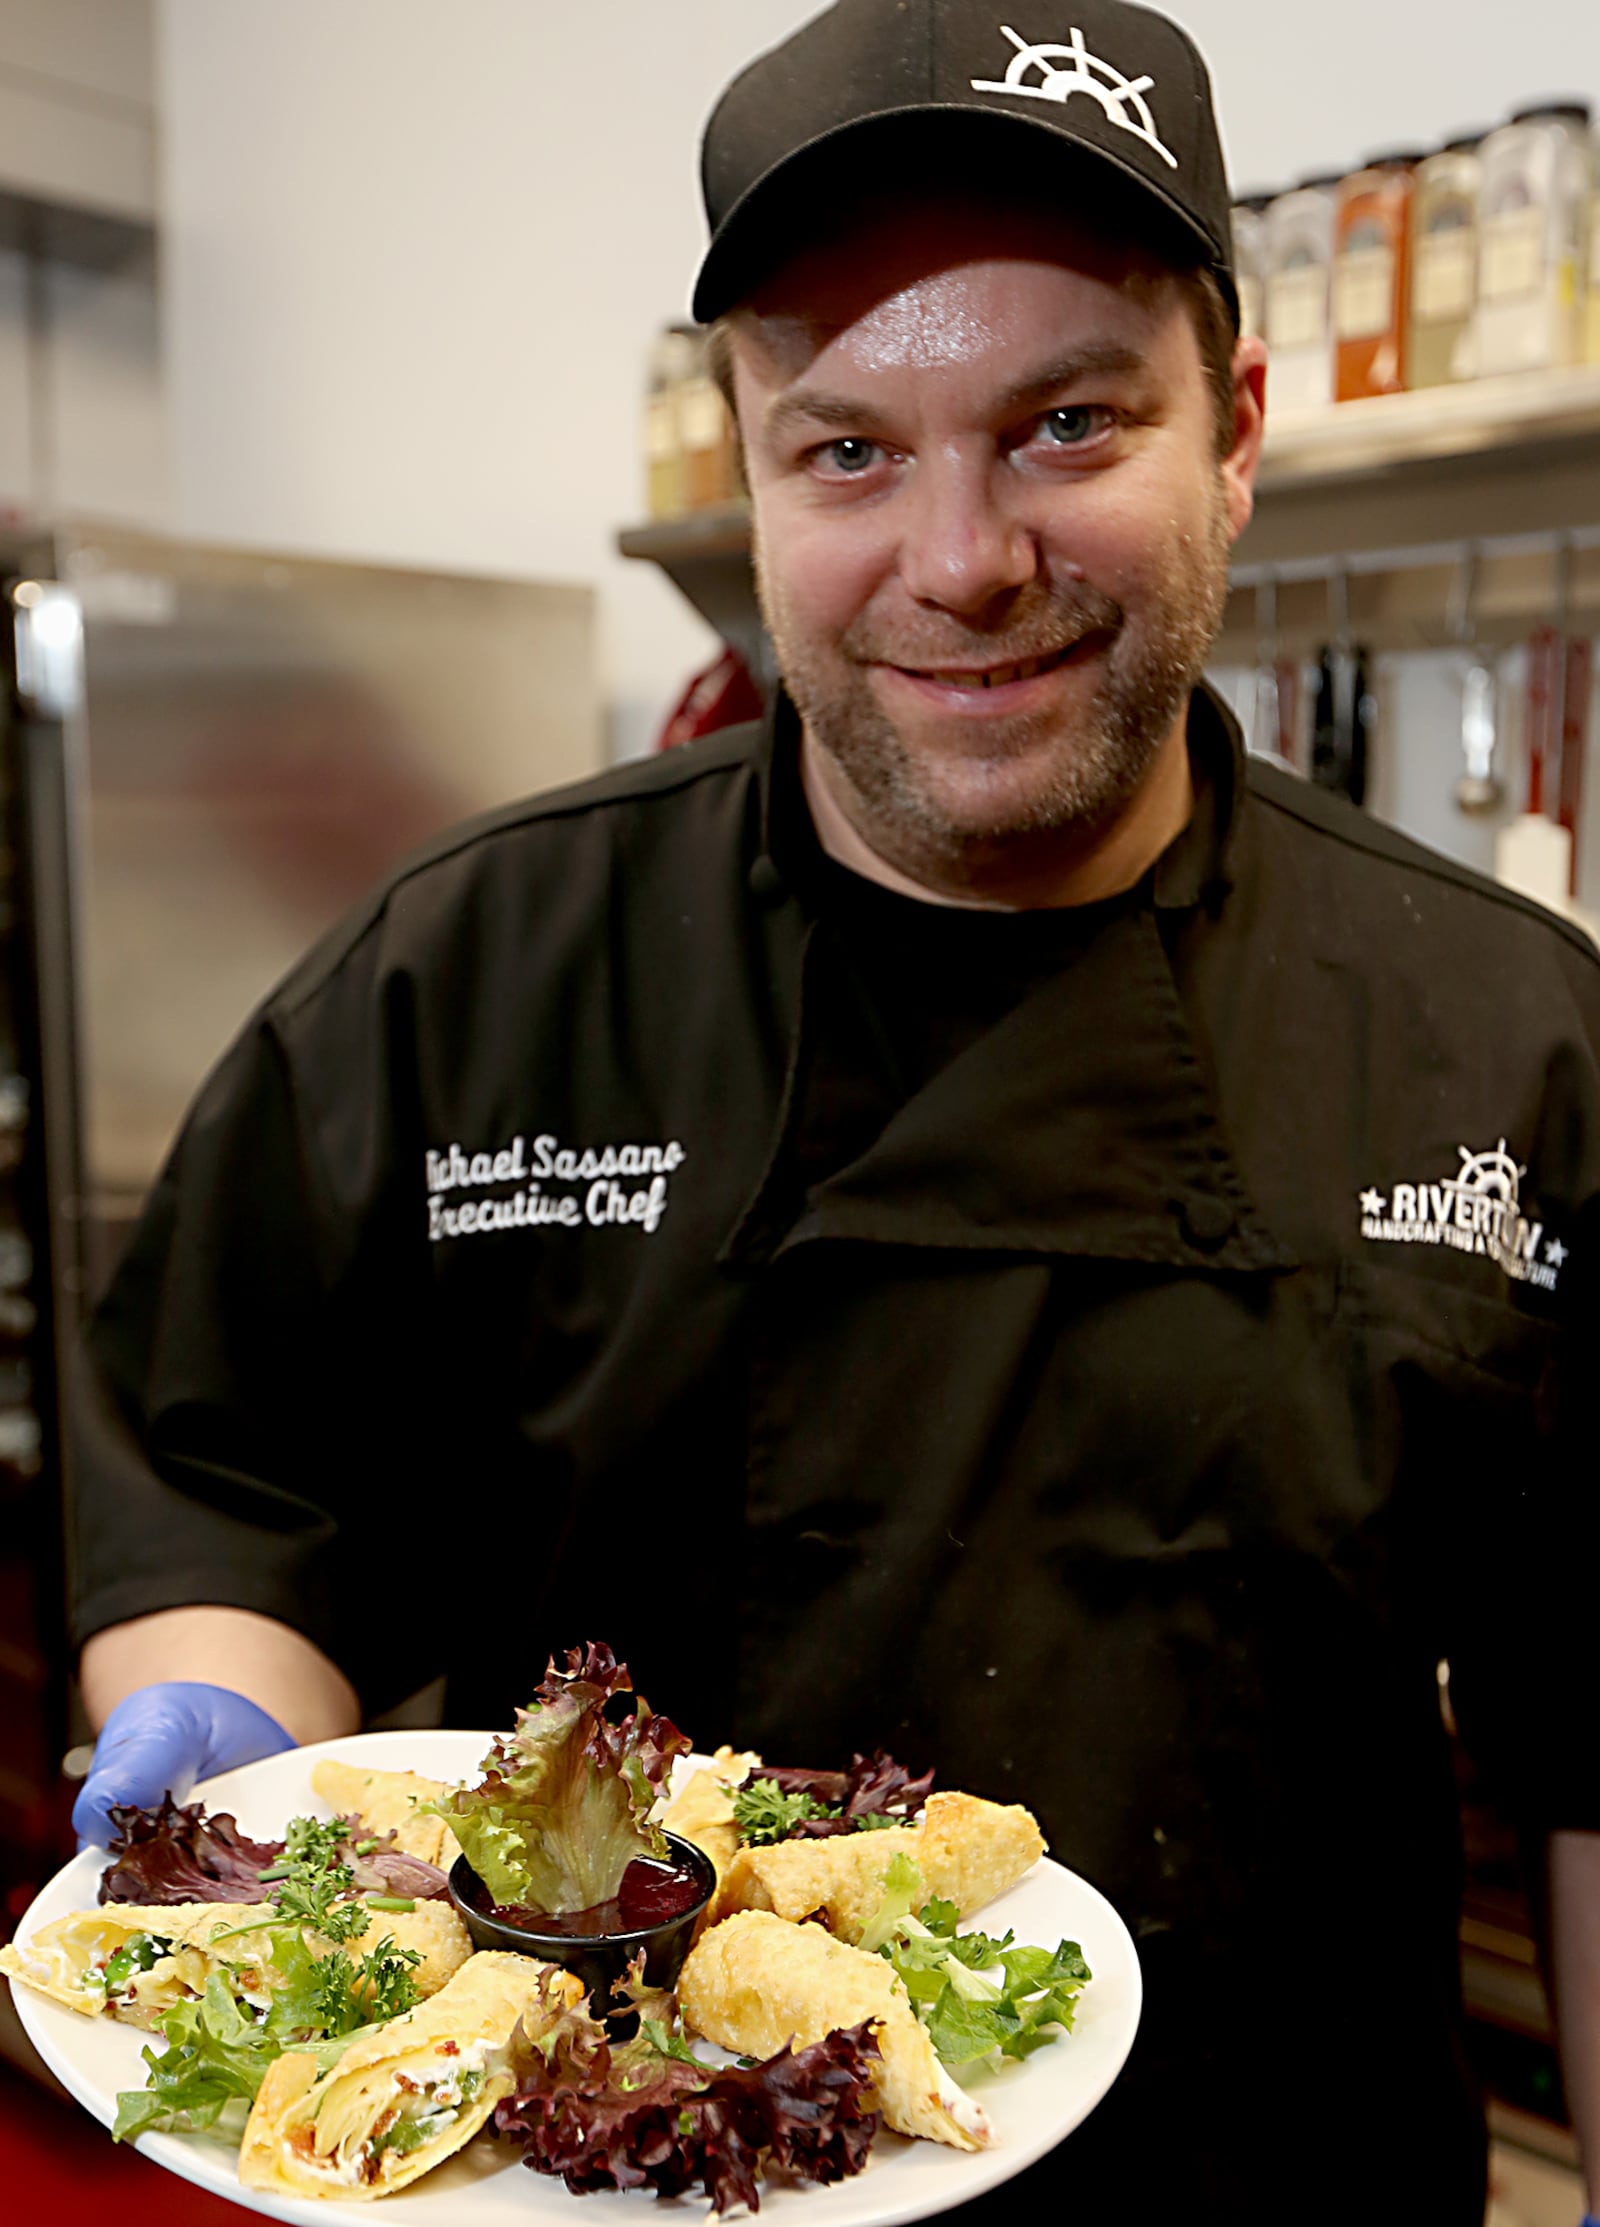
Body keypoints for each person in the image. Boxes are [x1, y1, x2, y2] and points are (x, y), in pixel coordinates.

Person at [60, 1, 1600, 2219]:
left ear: (1237, 430)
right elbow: (218, 1494)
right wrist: (225, 1765)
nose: (960, 560)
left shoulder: (1508, 1040)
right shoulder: (461, 975)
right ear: (743, 468)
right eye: (848, 449)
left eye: (1066, 422)